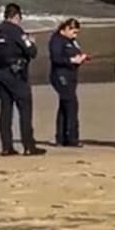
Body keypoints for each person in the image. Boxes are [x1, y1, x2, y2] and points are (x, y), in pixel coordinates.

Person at [0, 3, 46, 156]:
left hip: (0, 72)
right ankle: (29, 145)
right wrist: (31, 42)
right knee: (25, 108)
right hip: (16, 73)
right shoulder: (16, 31)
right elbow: (32, 51)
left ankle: (6, 146)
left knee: (5, 110)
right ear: (16, 16)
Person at [48, 18, 90, 147]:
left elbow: (74, 52)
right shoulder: (56, 40)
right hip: (60, 75)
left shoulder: (71, 41)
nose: (75, 35)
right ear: (65, 29)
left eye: (77, 33)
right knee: (71, 104)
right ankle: (72, 138)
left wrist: (82, 58)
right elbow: (56, 58)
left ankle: (61, 138)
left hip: (71, 75)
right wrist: (72, 60)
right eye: (73, 32)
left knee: (65, 105)